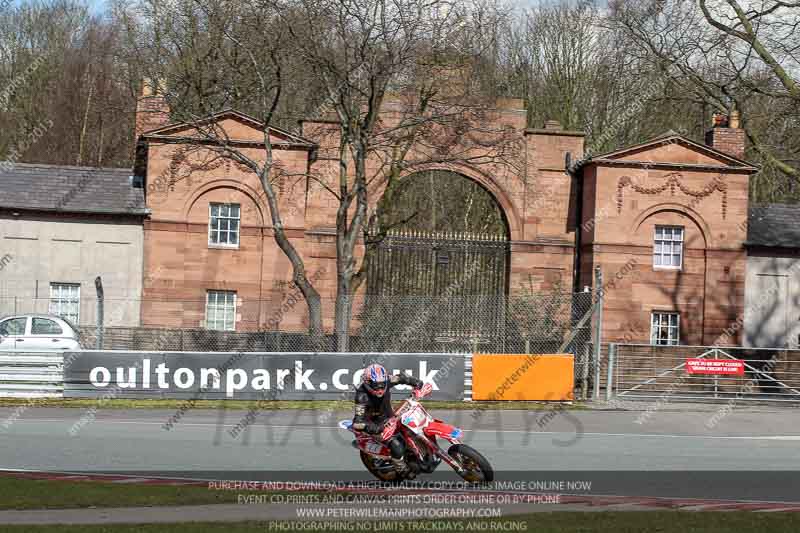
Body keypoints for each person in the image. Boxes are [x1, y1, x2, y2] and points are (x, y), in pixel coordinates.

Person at [352, 363, 423, 477]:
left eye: (382, 385)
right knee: (397, 445)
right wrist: (376, 428)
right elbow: (357, 423)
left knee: (413, 427)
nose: (380, 389)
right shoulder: (361, 396)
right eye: (376, 386)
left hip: (391, 417)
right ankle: (401, 468)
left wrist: (416, 383)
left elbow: (402, 378)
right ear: (368, 383)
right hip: (374, 425)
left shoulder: (387, 380)